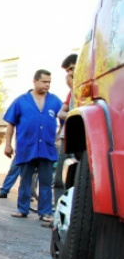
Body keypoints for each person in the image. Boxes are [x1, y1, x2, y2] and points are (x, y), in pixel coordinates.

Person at [4, 69, 63, 222]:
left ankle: (45, 212)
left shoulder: (55, 101)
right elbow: (11, 124)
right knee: (25, 179)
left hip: (47, 148)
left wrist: (58, 137)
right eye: (44, 82)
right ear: (35, 81)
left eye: (49, 82)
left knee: (45, 181)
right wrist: (8, 145)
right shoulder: (21, 100)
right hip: (26, 147)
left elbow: (64, 120)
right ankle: (22, 209)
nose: (47, 85)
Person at [53, 54, 77, 206]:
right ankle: (58, 214)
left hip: (82, 142)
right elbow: (61, 113)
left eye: (72, 69)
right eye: (67, 71)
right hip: (66, 138)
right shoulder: (71, 93)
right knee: (60, 179)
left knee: (75, 181)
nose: (69, 74)